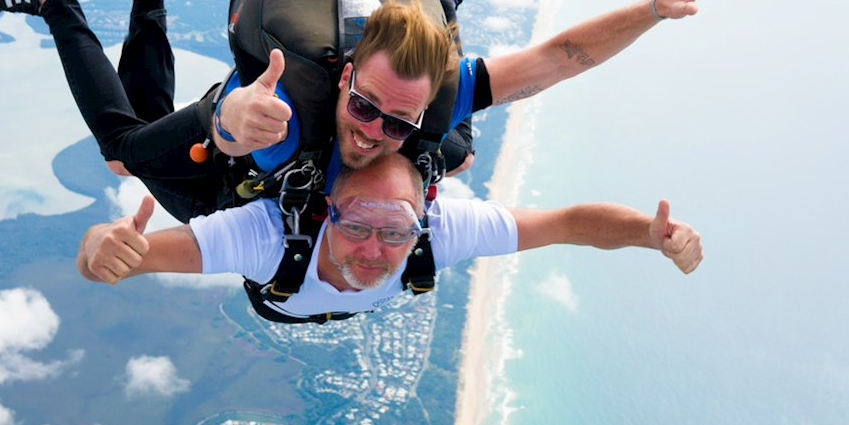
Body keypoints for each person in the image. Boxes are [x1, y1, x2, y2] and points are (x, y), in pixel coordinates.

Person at [0, 0, 758, 220]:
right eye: (369, 107)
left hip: (277, 134)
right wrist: (240, 119)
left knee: (457, 144)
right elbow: (245, 125)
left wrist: (656, 7)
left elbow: (564, 56)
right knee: (124, 150)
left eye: (397, 121)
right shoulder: (293, 108)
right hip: (251, 124)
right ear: (344, 73)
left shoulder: (433, 102)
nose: (375, 132)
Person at [76, 152, 703, 321]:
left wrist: (649, 237)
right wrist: (106, 247)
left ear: (423, 217)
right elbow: (119, 261)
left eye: (396, 231)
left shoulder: (443, 230)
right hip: (241, 221)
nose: (376, 249)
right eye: (357, 226)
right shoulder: (265, 237)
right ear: (324, 212)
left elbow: (568, 223)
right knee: (128, 151)